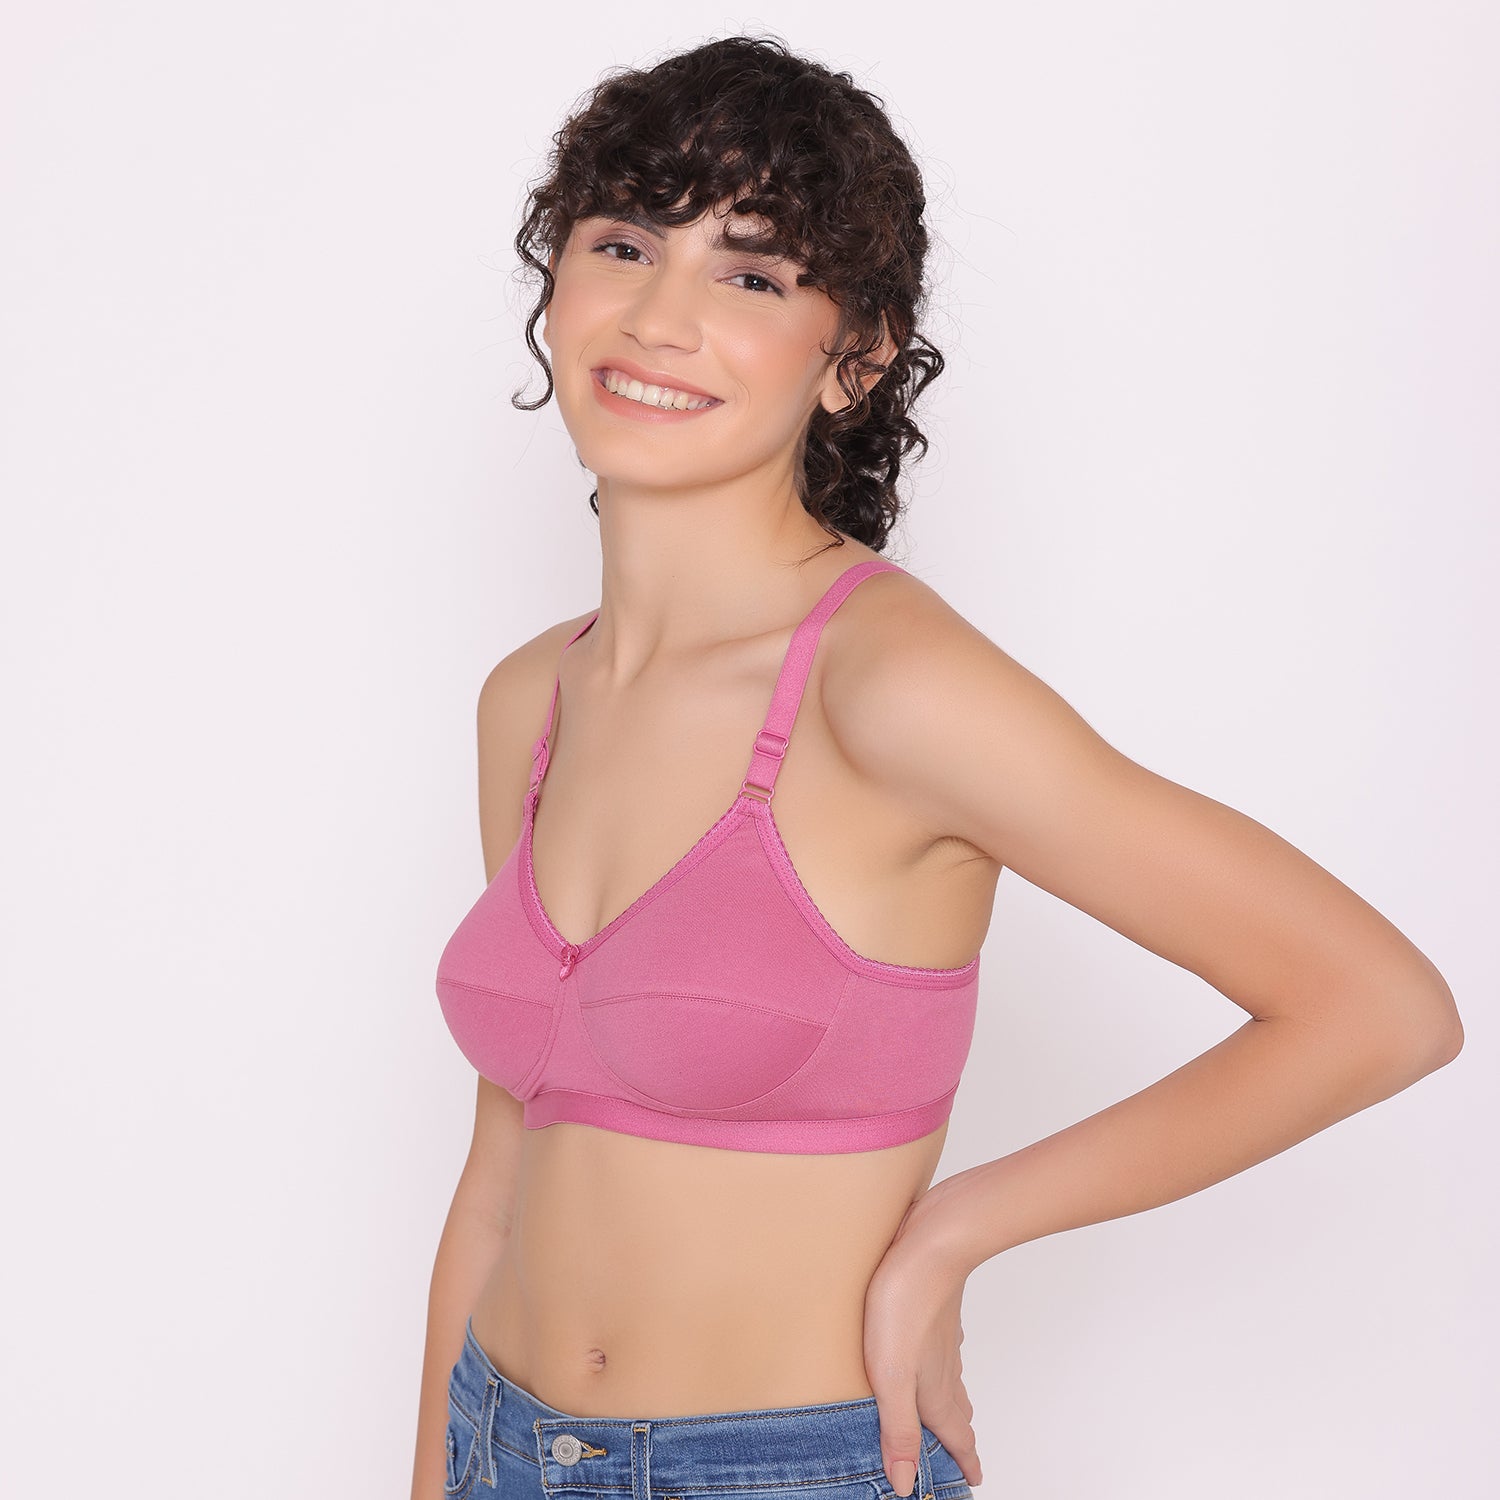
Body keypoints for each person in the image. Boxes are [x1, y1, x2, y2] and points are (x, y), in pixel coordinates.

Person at [412, 33, 1463, 1500]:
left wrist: (958, 1229)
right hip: (500, 1440)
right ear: (557, 279)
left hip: (786, 1466)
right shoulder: (531, 700)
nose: (659, 316)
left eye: (752, 276)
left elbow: (1378, 1009)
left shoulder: (888, 689)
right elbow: (500, 1166)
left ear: (855, 358)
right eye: (625, 243)